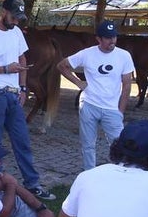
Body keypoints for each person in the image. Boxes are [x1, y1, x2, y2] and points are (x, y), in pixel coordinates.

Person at [0, 0, 53, 200]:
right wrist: (5, 69)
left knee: (22, 140)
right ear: (3, 12)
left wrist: (23, 88)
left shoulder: (16, 32)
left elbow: (22, 59)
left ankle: (32, 183)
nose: (16, 21)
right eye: (13, 17)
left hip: (14, 94)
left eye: (19, 18)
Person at [56, 19, 134, 171]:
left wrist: (121, 111)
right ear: (98, 38)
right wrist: (78, 83)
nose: (112, 41)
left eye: (114, 37)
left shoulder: (124, 56)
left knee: (119, 145)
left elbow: (127, 85)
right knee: (88, 145)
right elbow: (62, 65)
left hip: (112, 108)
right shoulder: (87, 54)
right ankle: (89, 174)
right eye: (108, 38)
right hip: (89, 105)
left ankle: (121, 173)